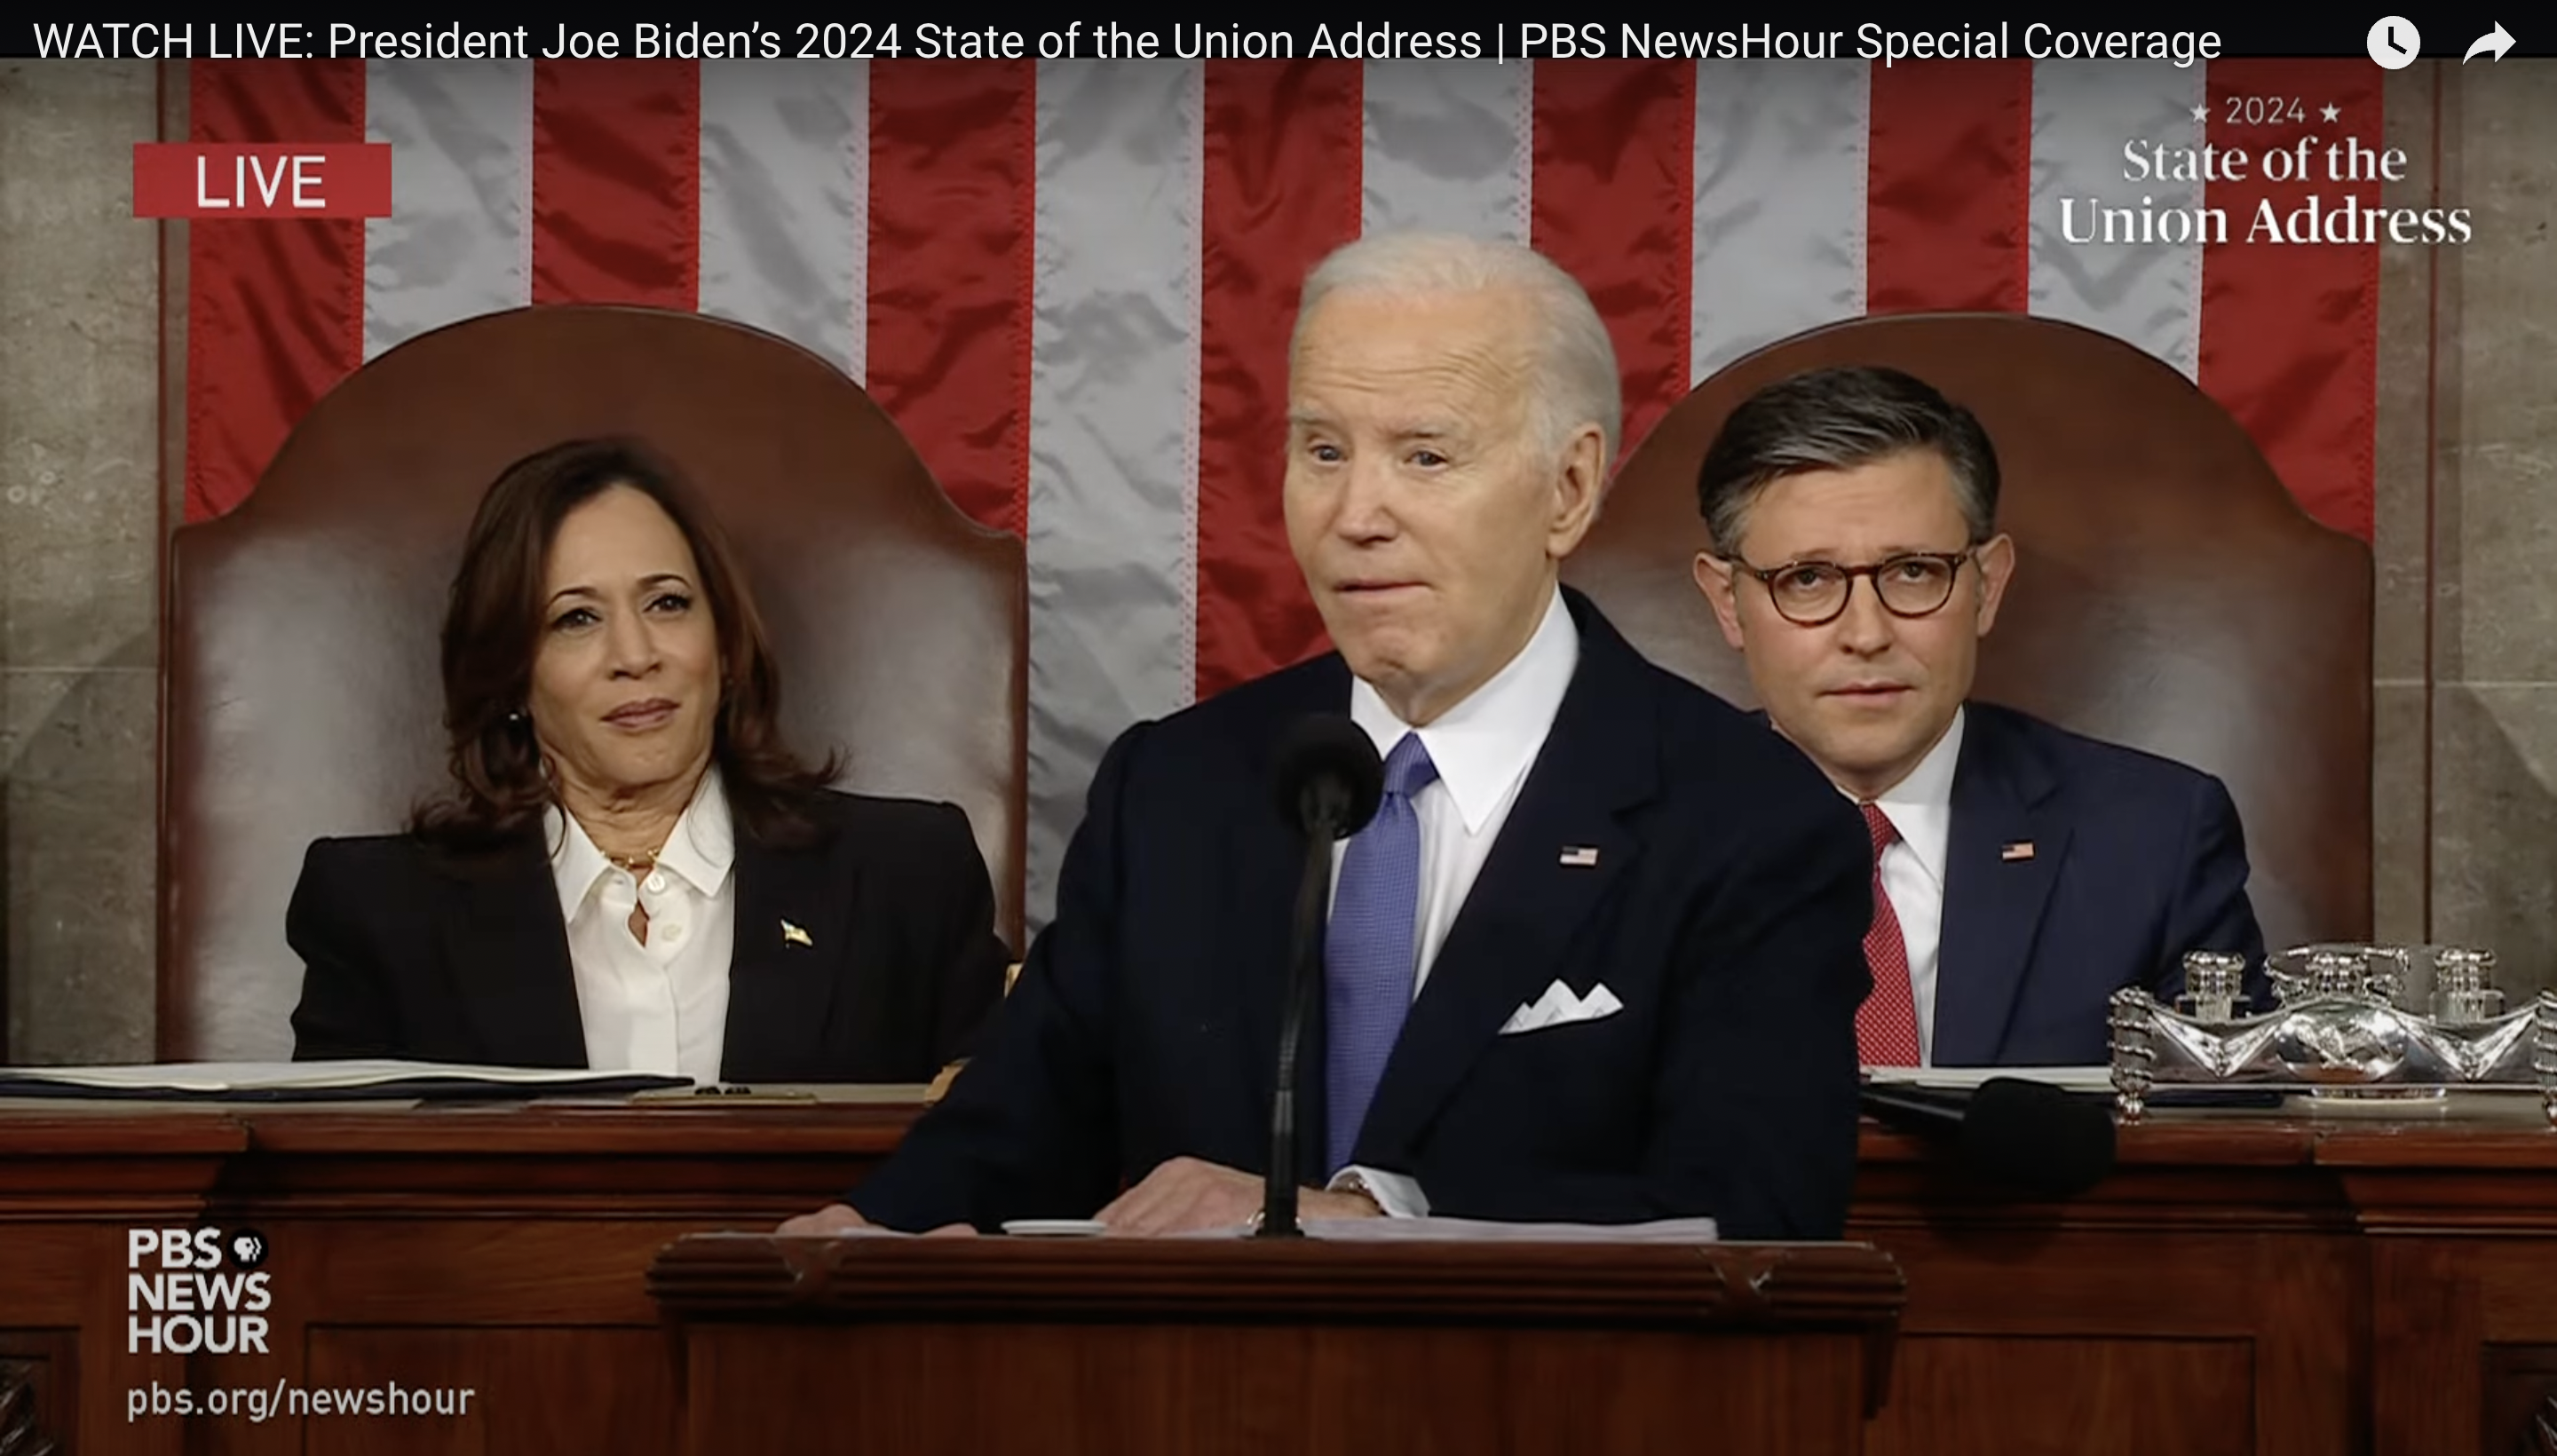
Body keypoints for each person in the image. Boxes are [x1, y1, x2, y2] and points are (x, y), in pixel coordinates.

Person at [781, 233, 1872, 1240]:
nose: (1357, 513)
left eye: (1425, 457)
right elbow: (1020, 1126)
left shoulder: (1747, 819)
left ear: (1569, 488)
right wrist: (867, 1234)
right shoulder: (1176, 786)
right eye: (1323, 450)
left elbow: (1753, 1208)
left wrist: (1372, 1217)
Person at [286, 438, 1010, 1083]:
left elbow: (996, 1163)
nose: (635, 657)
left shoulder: (909, 881)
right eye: (577, 619)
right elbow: (332, 1214)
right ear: (510, 675)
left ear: (724, 646)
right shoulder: (381, 915)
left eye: (667, 604)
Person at [1690, 364, 2267, 1067]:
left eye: (1913, 571)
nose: (1867, 633)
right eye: (1807, 579)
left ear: (1986, 587)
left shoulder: (2156, 841)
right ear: (1727, 602)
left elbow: (2230, 1151)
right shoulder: (1626, 845)